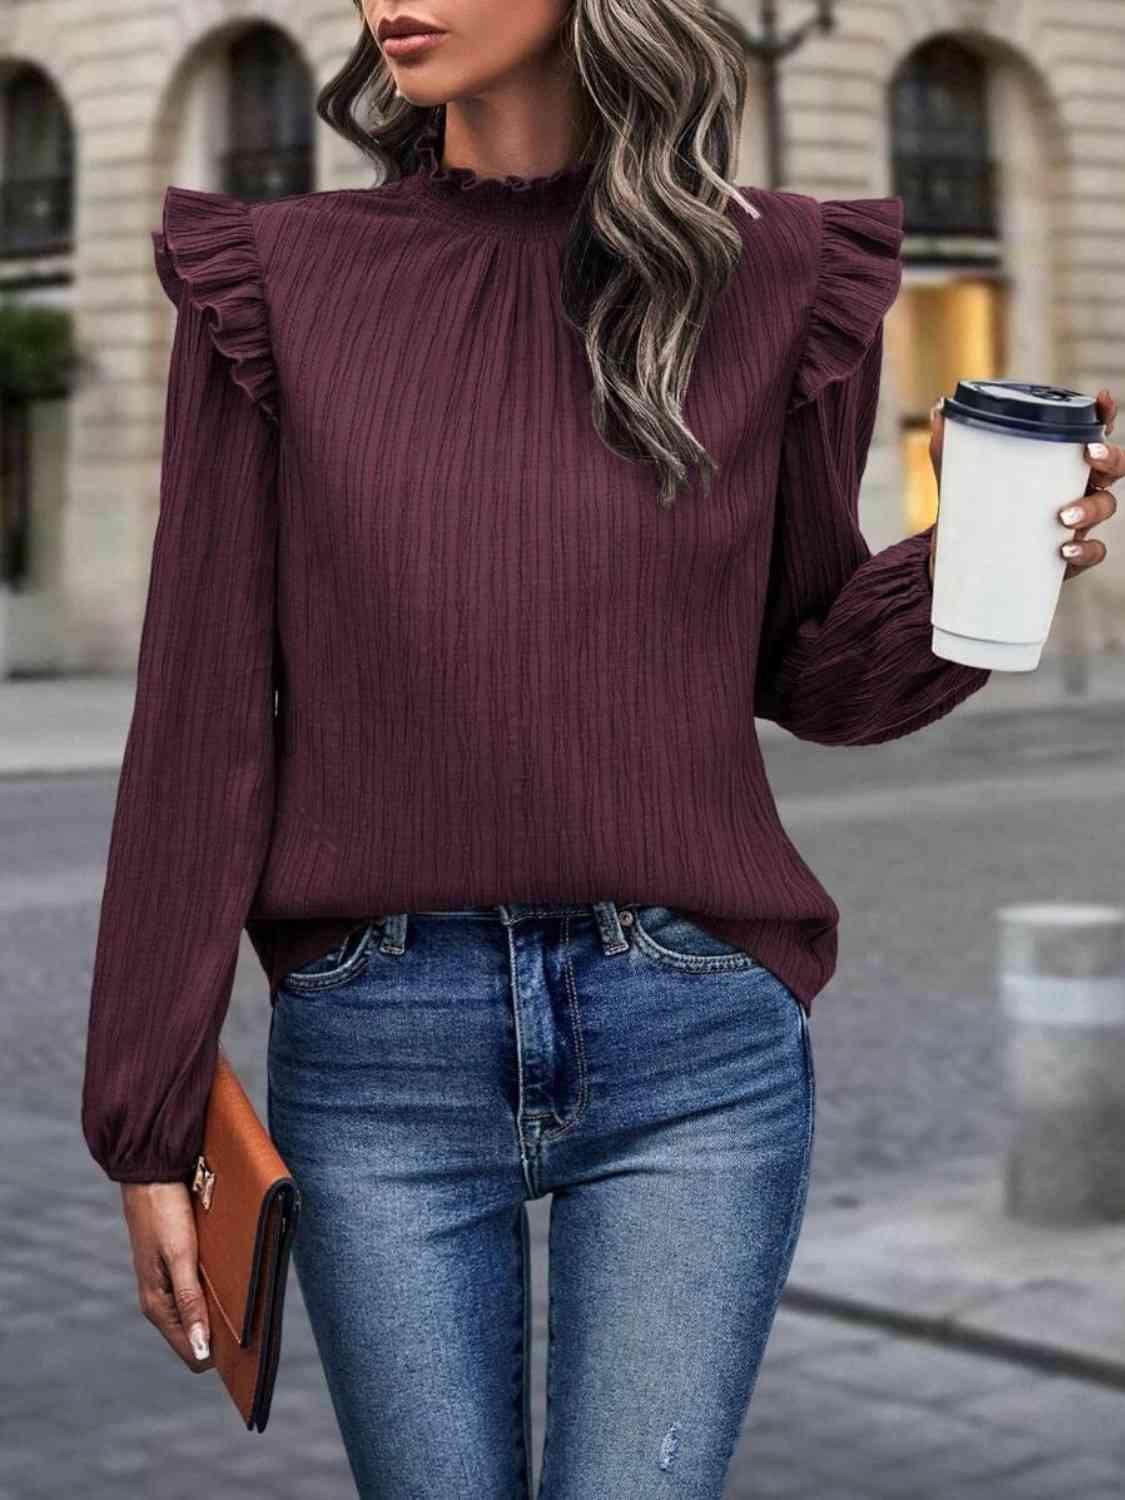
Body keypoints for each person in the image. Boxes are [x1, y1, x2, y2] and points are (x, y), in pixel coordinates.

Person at [80, 2, 1117, 1495]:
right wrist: (146, 1108)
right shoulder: (277, 278)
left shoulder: (777, 274)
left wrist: (978, 566)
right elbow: (198, 712)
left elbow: (811, 672)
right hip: (380, 1052)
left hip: (690, 1037)